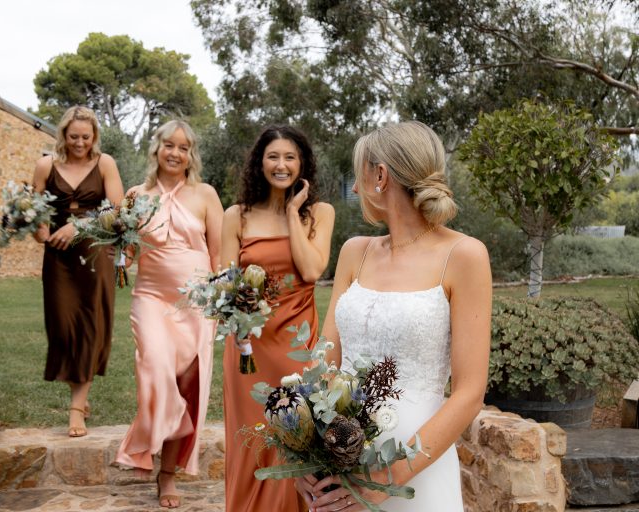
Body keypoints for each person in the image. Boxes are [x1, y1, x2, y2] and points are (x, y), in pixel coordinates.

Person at [296, 121, 492, 512]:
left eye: (358, 176)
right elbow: (326, 362)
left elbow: (470, 393)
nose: (354, 188)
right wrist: (305, 451)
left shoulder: (464, 255)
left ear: (380, 176)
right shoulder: (355, 251)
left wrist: (390, 477)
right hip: (341, 466)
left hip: (417, 470)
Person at [220, 125, 337, 512]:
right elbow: (225, 283)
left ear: (302, 164)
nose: (281, 164)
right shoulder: (236, 215)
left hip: (295, 343)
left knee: (295, 435)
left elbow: (311, 270)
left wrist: (291, 212)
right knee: (250, 438)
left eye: (290, 157)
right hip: (248, 346)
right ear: (260, 162)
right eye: (273, 156)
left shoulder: (319, 213)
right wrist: (238, 322)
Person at [113, 119, 224, 509]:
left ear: (191, 154)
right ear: (156, 148)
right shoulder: (135, 194)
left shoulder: (206, 194)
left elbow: (220, 254)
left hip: (196, 302)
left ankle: (167, 473)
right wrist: (115, 249)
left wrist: (222, 300)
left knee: (186, 386)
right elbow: (126, 253)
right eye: (168, 145)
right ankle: (153, 437)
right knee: (155, 367)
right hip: (151, 298)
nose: (175, 153)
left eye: (183, 147)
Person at [32, 106, 124, 438]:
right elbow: (35, 210)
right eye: (74, 137)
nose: (80, 143)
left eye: (86, 137)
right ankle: (78, 398)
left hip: (94, 252)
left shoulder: (105, 164)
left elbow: (115, 208)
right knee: (63, 326)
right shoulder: (46, 165)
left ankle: (76, 408)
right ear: (63, 135)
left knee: (89, 324)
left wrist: (78, 227)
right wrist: (41, 230)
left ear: (95, 136)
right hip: (58, 257)